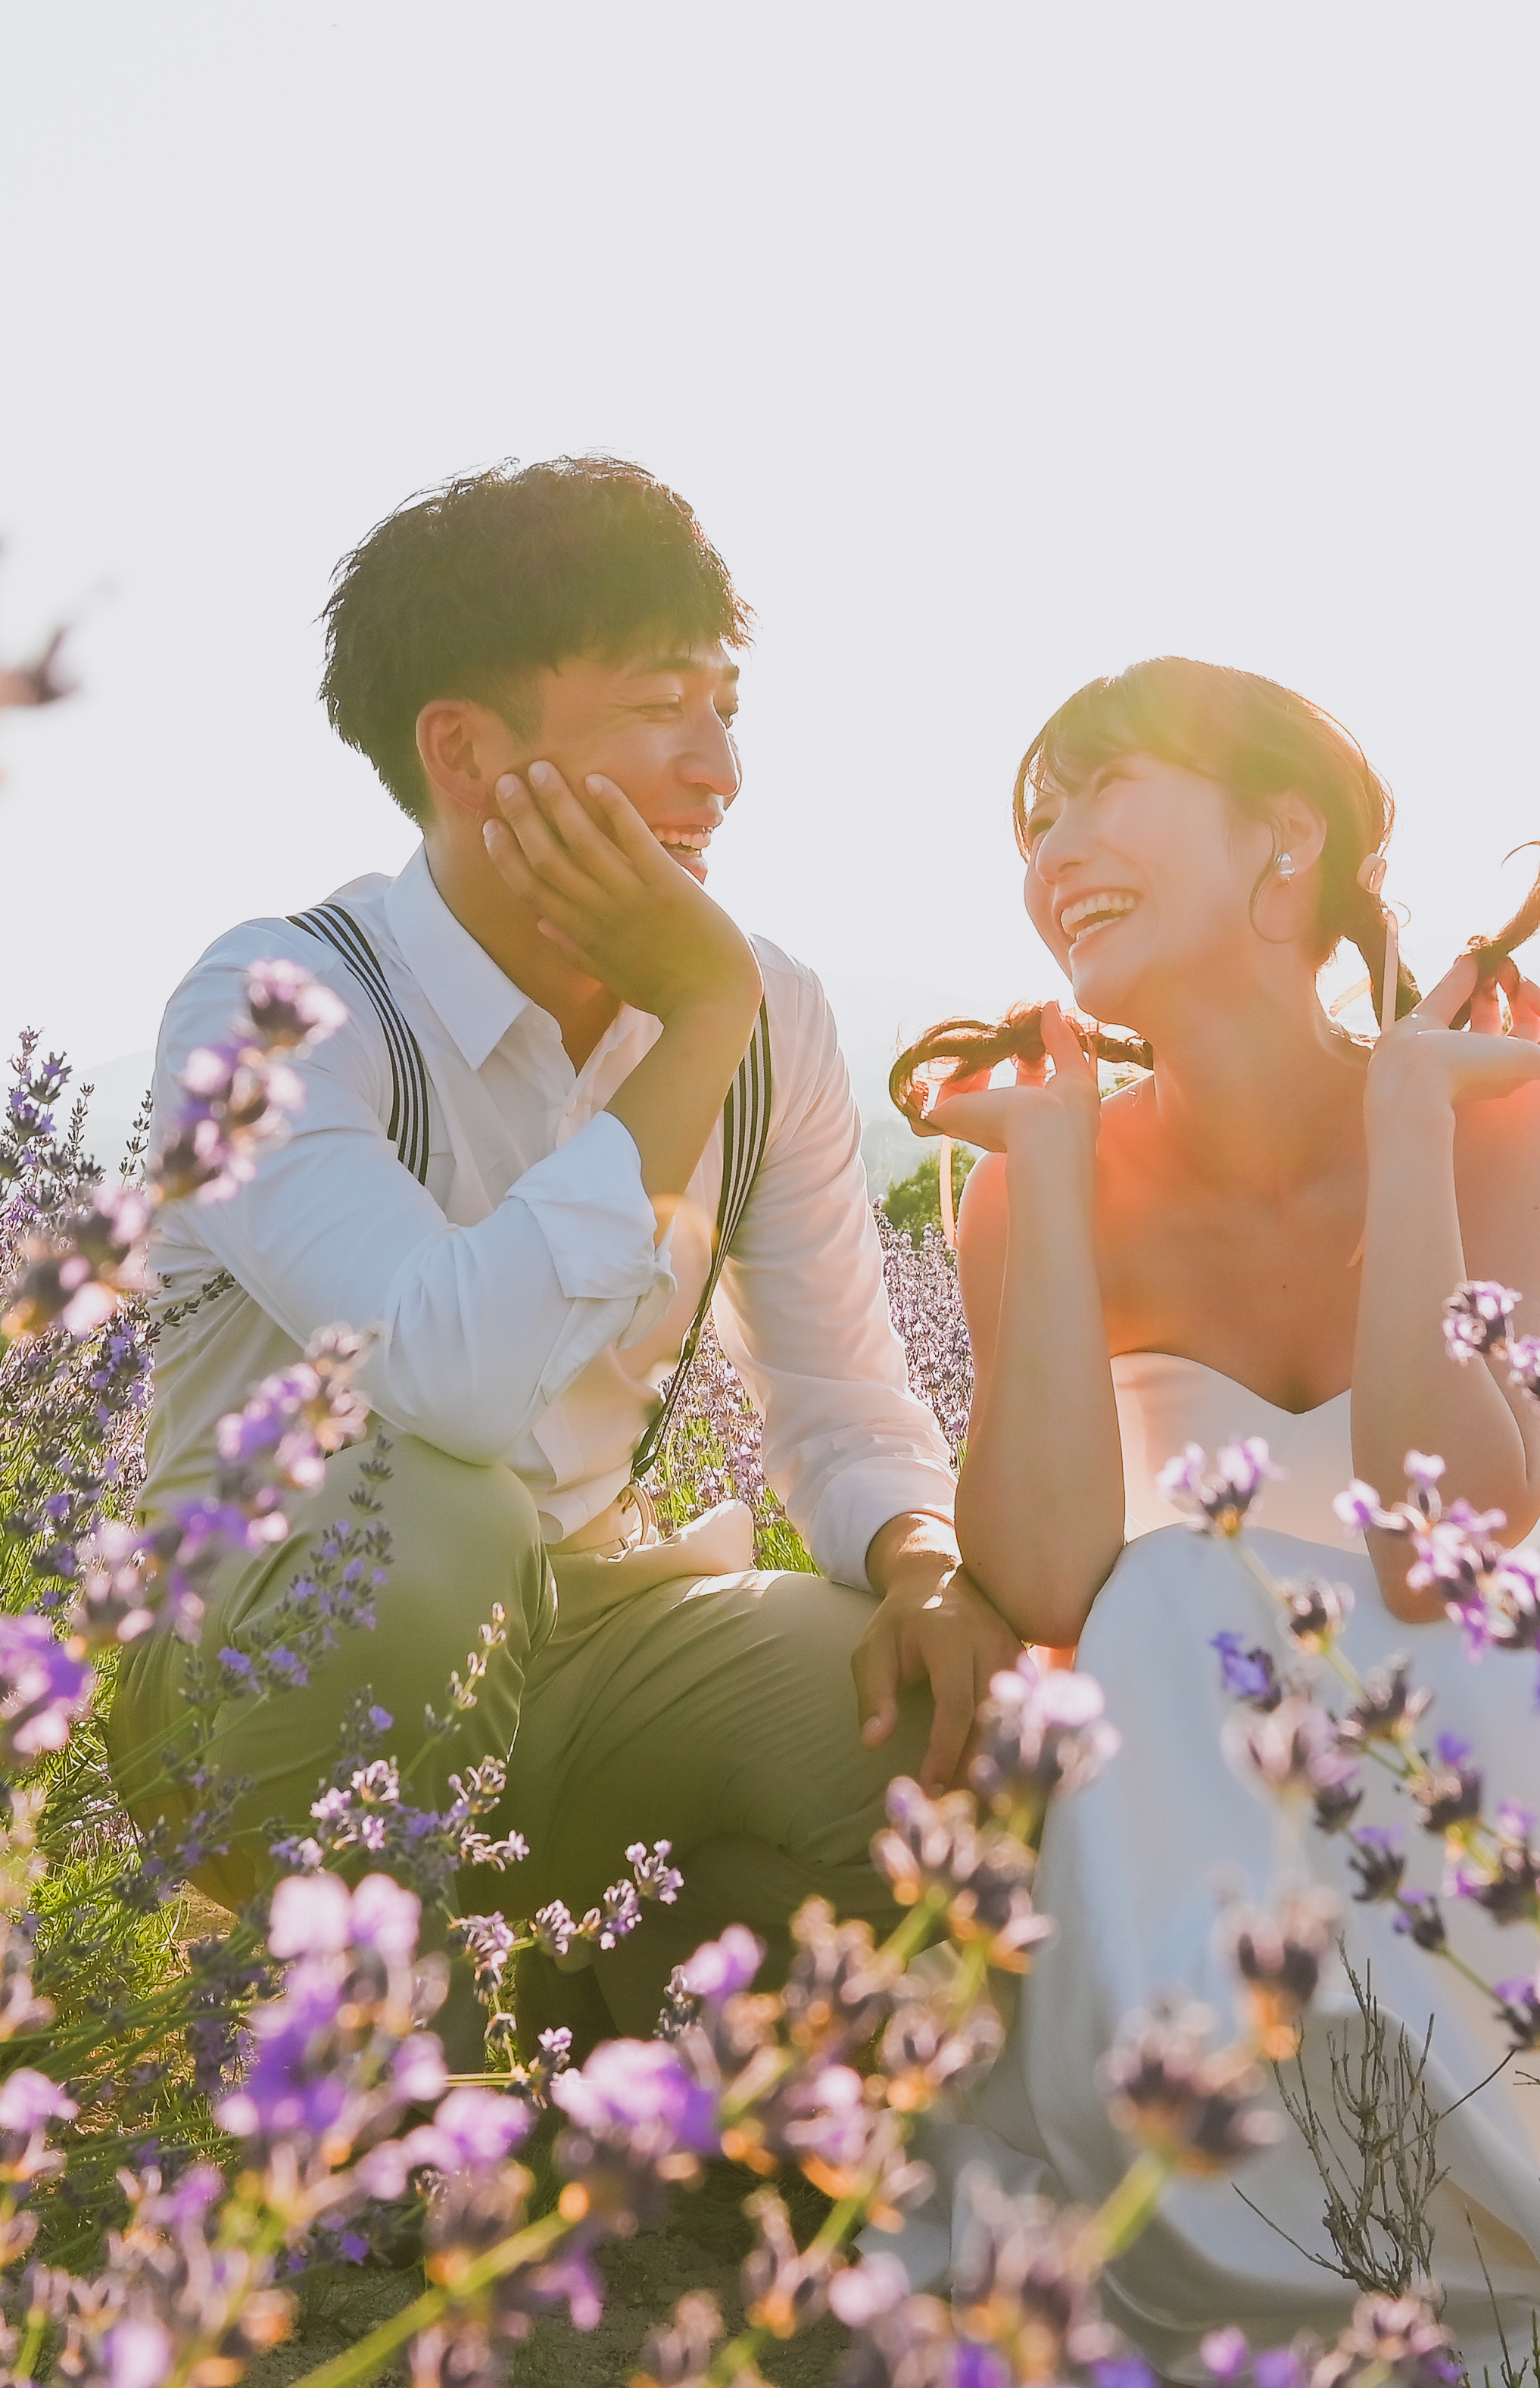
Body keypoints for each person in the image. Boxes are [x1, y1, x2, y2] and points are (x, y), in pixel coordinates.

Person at [900, 658, 1540, 2353]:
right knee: (1157, 1599)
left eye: (1105, 788)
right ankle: (1246, 2201)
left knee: (1183, 1597)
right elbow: (1041, 1580)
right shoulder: (1028, 1187)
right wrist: (1050, 1183)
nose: (1057, 847)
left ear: (1282, 835)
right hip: (1196, 1859)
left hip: (1501, 1793)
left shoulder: (1508, 1112)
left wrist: (1405, 1117)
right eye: (1039, 816)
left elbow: (1434, 1541)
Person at [106, 457, 1021, 2031]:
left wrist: (927, 1563)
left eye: (729, 705)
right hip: (266, 1654)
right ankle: (374, 2068)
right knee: (435, 1517)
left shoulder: (772, 1009)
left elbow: (839, 1391)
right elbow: (448, 1379)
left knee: (931, 1740)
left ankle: (620, 1983)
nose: (720, 766)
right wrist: (696, 1017)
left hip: (588, 1635)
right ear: (464, 750)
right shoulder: (277, 1010)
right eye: (664, 707)